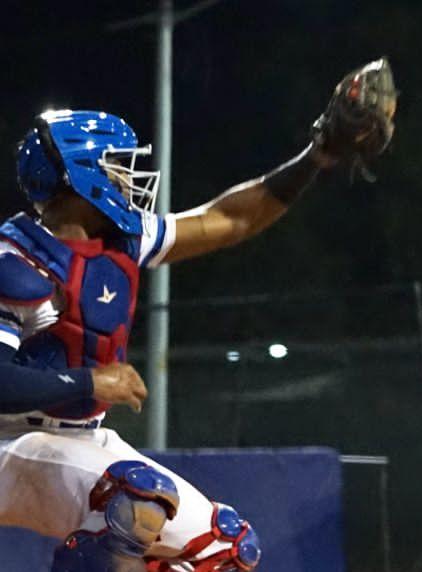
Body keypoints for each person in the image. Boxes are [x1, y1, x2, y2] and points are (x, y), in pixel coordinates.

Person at [0, 59, 395, 571]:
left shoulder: (123, 241)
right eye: (114, 166)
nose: (127, 177)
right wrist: (88, 381)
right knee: (134, 499)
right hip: (9, 440)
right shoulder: (15, 258)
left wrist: (316, 156)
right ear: (80, 177)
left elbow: (230, 218)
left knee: (227, 549)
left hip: (77, 438)